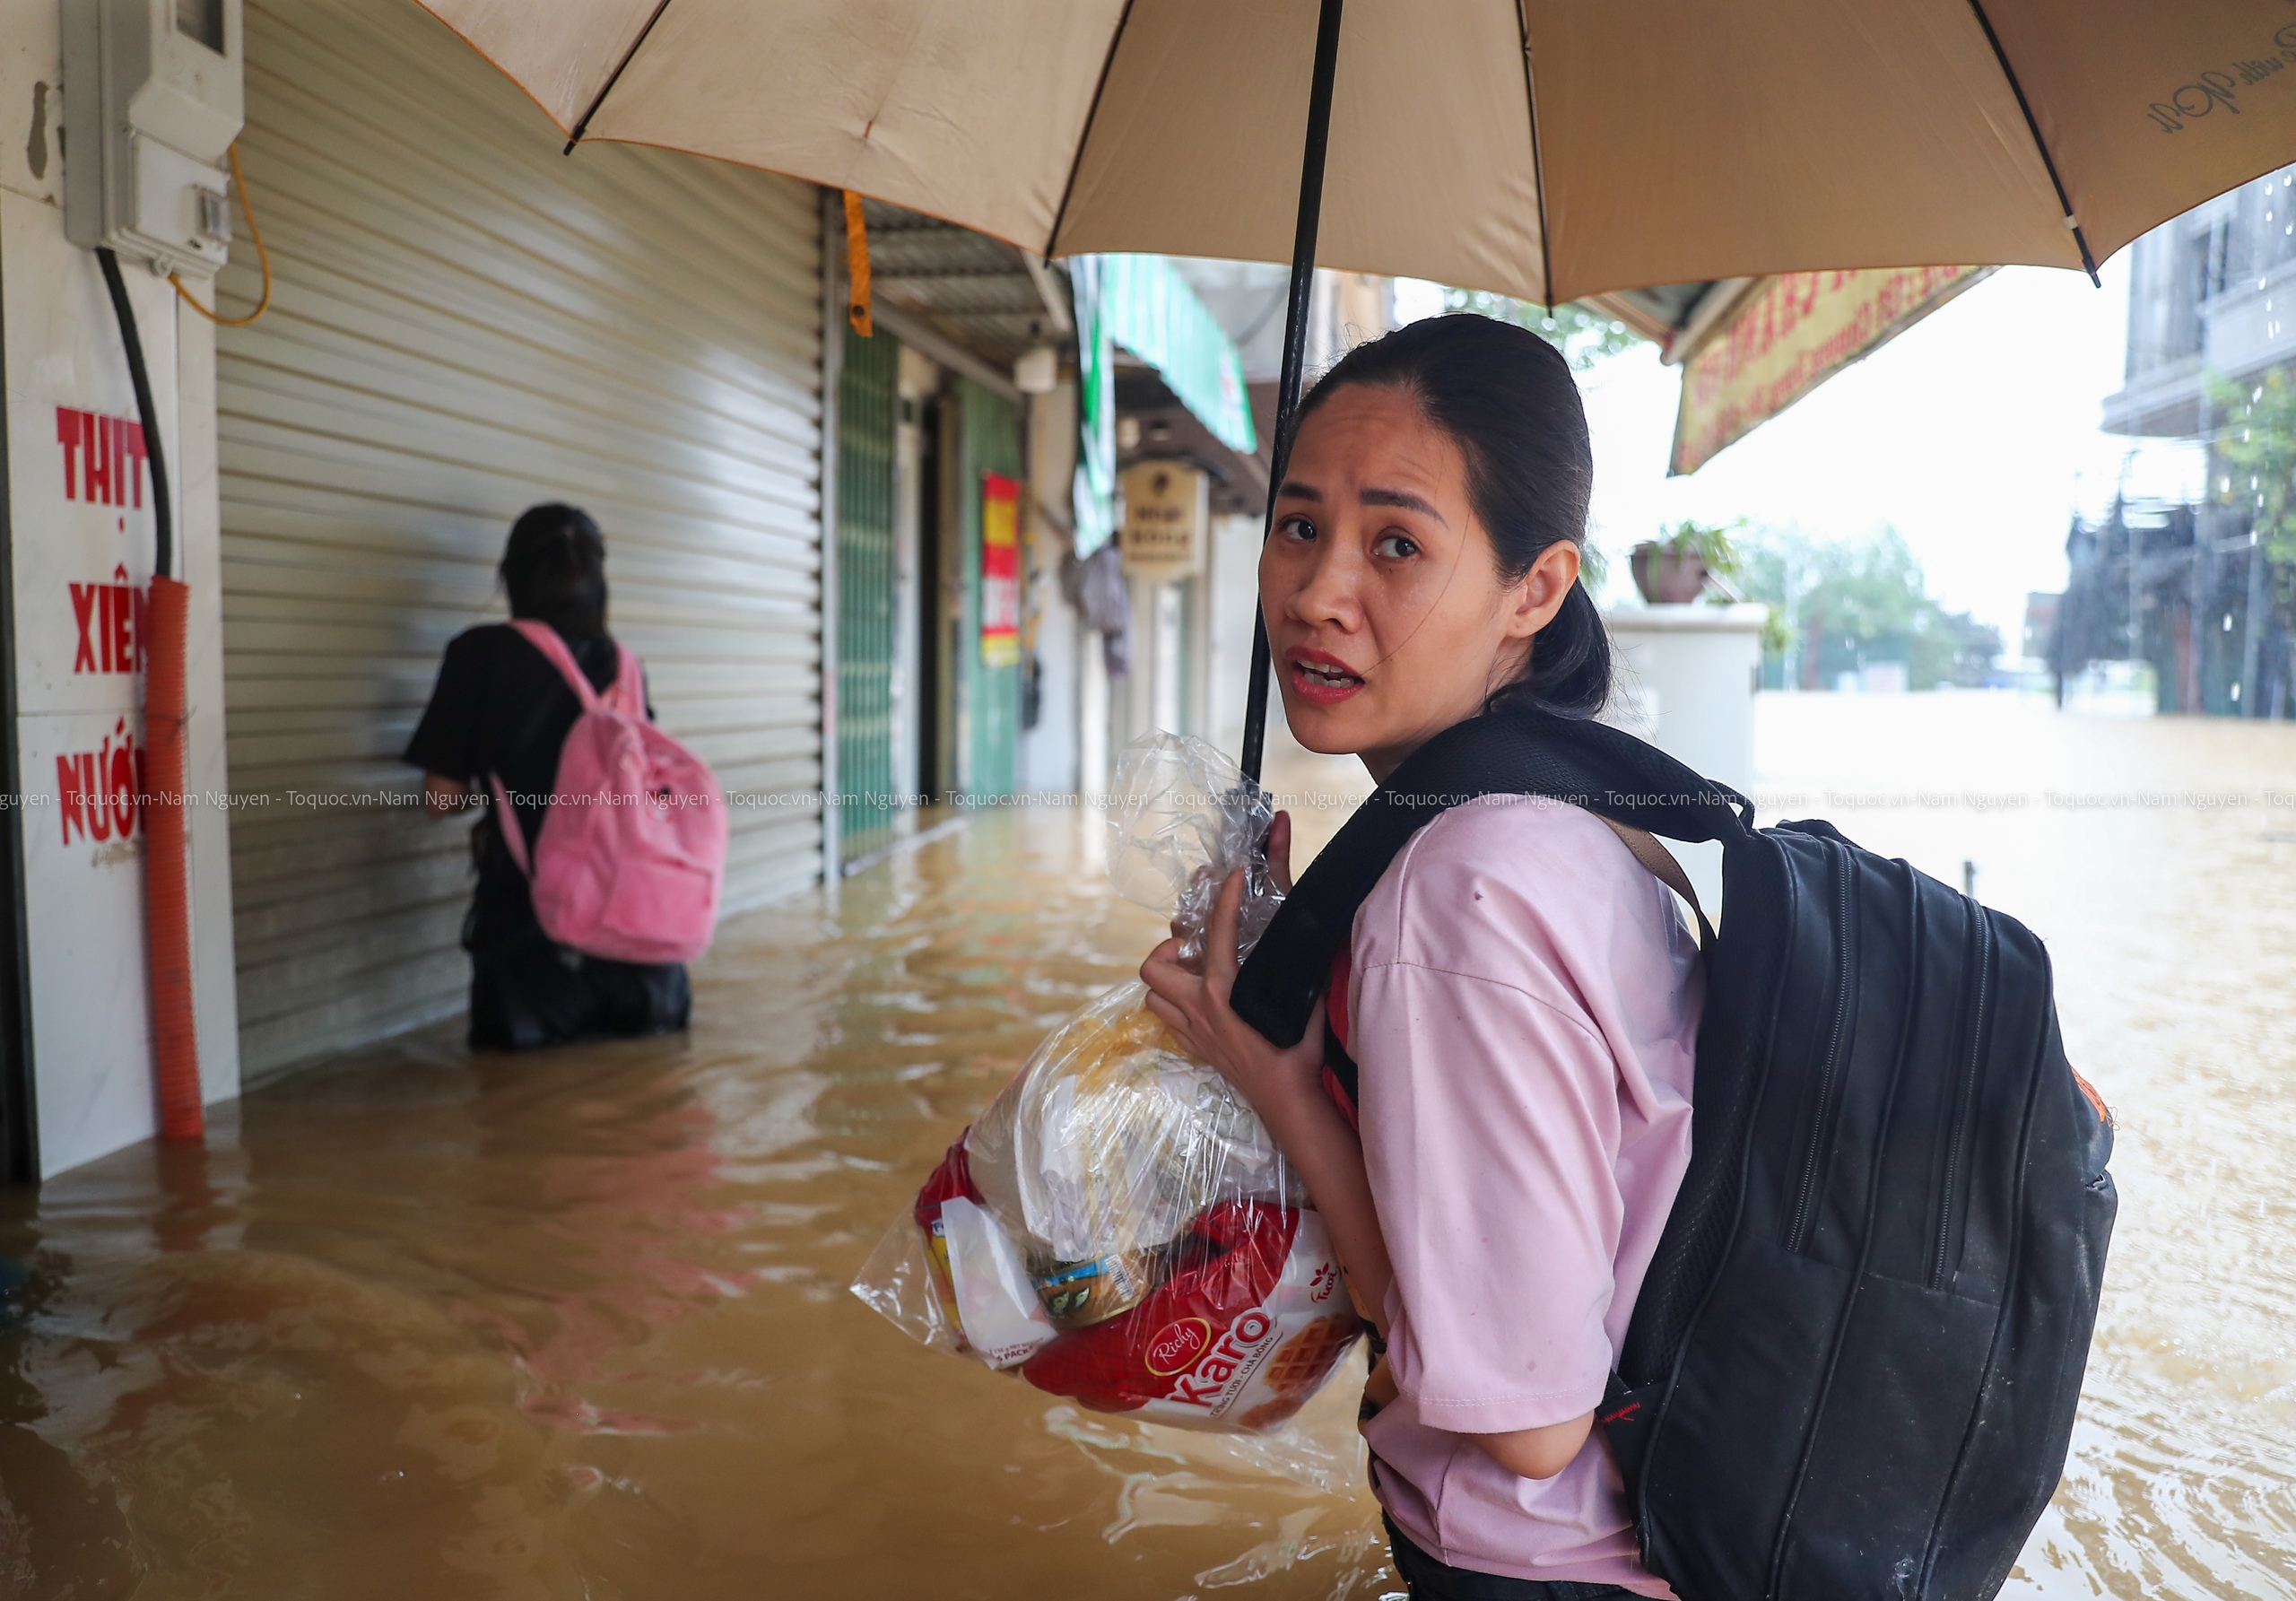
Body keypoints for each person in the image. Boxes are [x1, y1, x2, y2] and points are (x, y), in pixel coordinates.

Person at [1140, 316, 1700, 1600]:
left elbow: (1529, 1418)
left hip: (1549, 1563)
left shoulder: (1459, 893)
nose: (1318, 592)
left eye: (1397, 543)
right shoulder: (1564, 812)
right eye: (1298, 526)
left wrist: (1278, 1083)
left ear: (1538, 588)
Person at [405, 503, 693, 1051]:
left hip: (531, 954)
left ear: (511, 577)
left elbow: (441, 798)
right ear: (599, 581)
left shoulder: (480, 655)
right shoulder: (626, 667)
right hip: (645, 954)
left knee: (518, 1123)